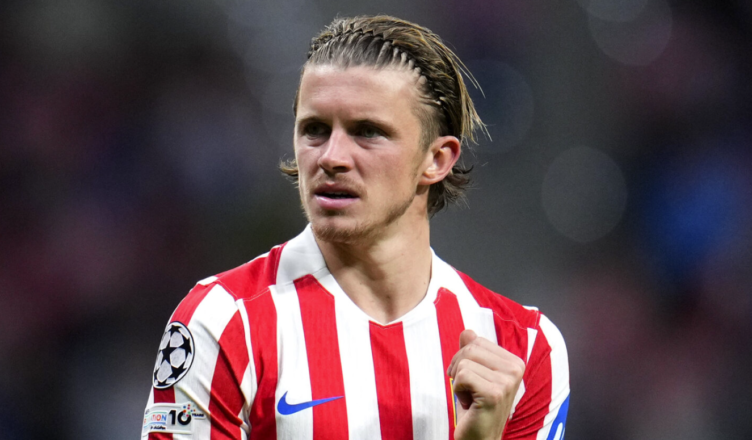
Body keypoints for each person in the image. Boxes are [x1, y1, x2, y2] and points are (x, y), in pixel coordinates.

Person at [142, 15, 569, 440]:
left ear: (436, 159)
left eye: (367, 132)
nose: (331, 157)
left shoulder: (524, 347)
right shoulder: (223, 323)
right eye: (314, 130)